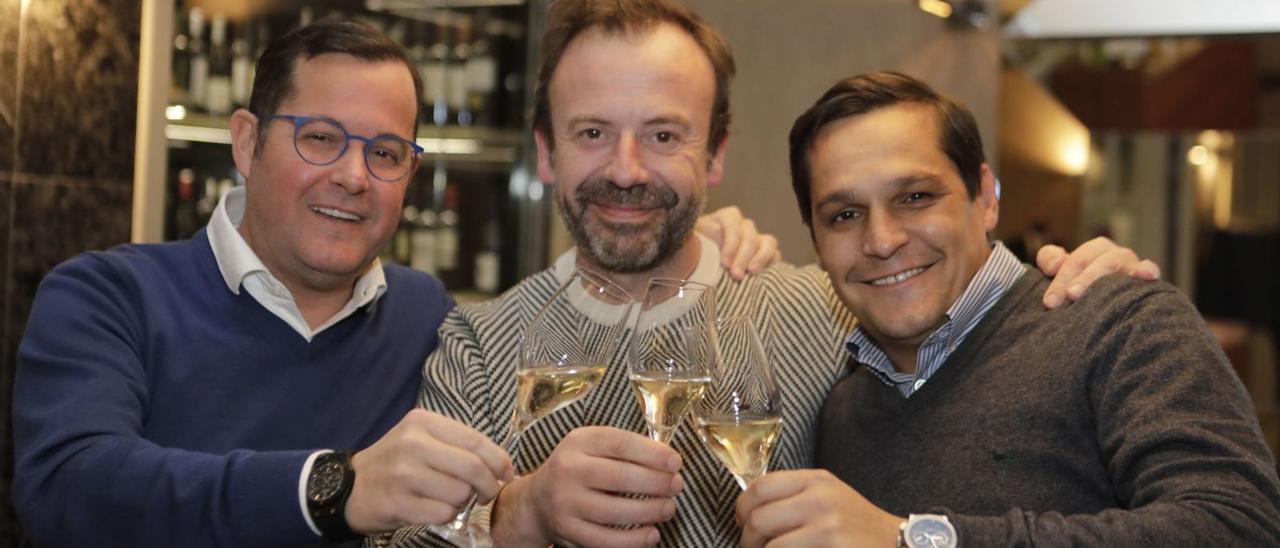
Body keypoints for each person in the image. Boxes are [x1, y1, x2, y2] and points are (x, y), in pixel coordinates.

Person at [390, 3, 1158, 547]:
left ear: (716, 155)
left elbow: (970, 335)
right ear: (548, 151)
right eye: (593, 132)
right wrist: (517, 520)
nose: (626, 170)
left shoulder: (830, 310)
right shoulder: (479, 342)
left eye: (664, 134)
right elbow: (398, 541)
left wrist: (1074, 288)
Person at [9, 20, 773, 548]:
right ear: (247, 142)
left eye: (385, 152)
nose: (351, 176)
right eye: (319, 138)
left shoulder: (432, 322)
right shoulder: (109, 296)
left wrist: (690, 239)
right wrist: (333, 487)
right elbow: (67, 490)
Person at [734, 71, 1280, 547]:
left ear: (987, 197)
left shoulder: (1116, 320)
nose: (881, 240)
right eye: (845, 214)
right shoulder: (845, 407)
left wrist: (917, 538)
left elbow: (1238, 526)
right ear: (815, 239)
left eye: (916, 197)